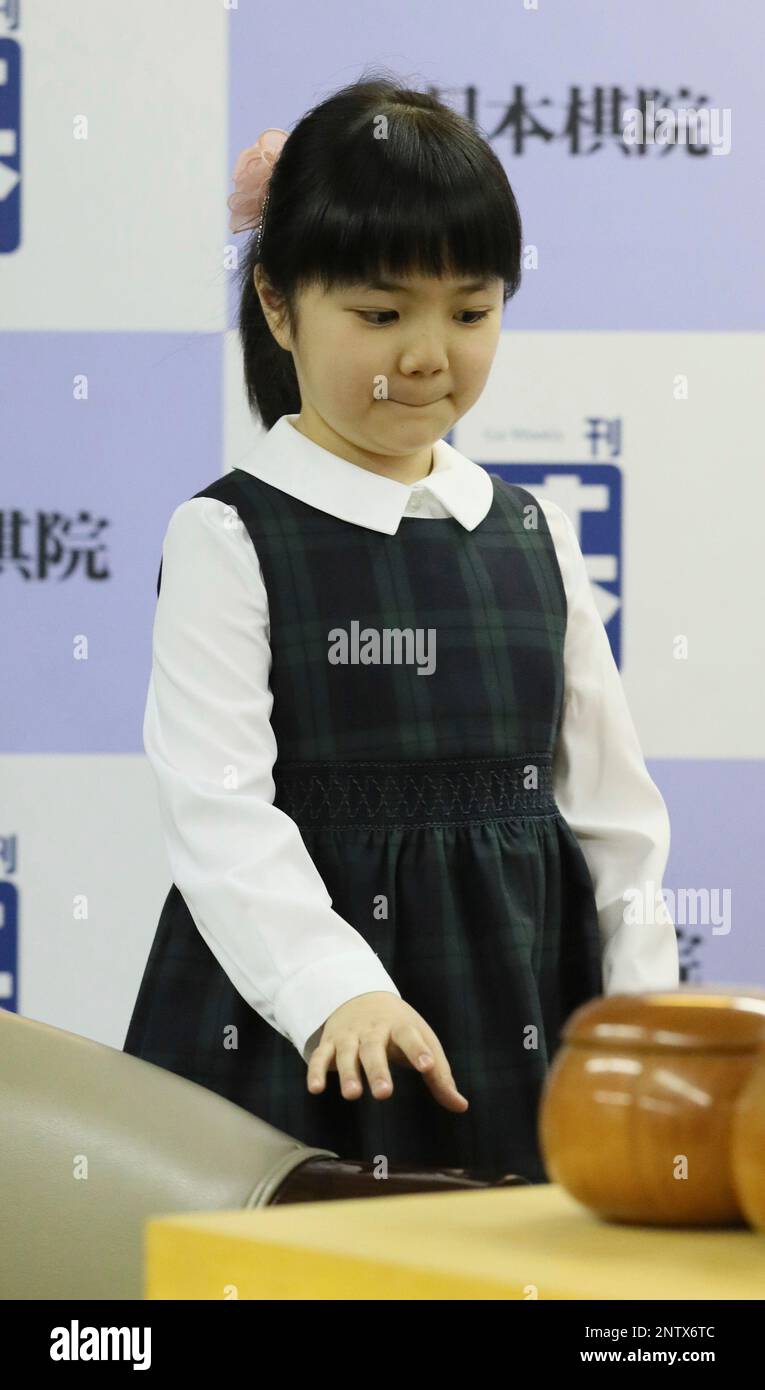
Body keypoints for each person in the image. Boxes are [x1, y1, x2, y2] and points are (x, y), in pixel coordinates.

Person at [123, 72, 679, 1182]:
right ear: (279, 305)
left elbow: (616, 821)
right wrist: (342, 989)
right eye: (381, 314)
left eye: (471, 311)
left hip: (514, 1011)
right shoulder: (232, 536)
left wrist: (645, 1027)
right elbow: (217, 810)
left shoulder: (533, 534)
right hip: (307, 1037)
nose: (430, 353)